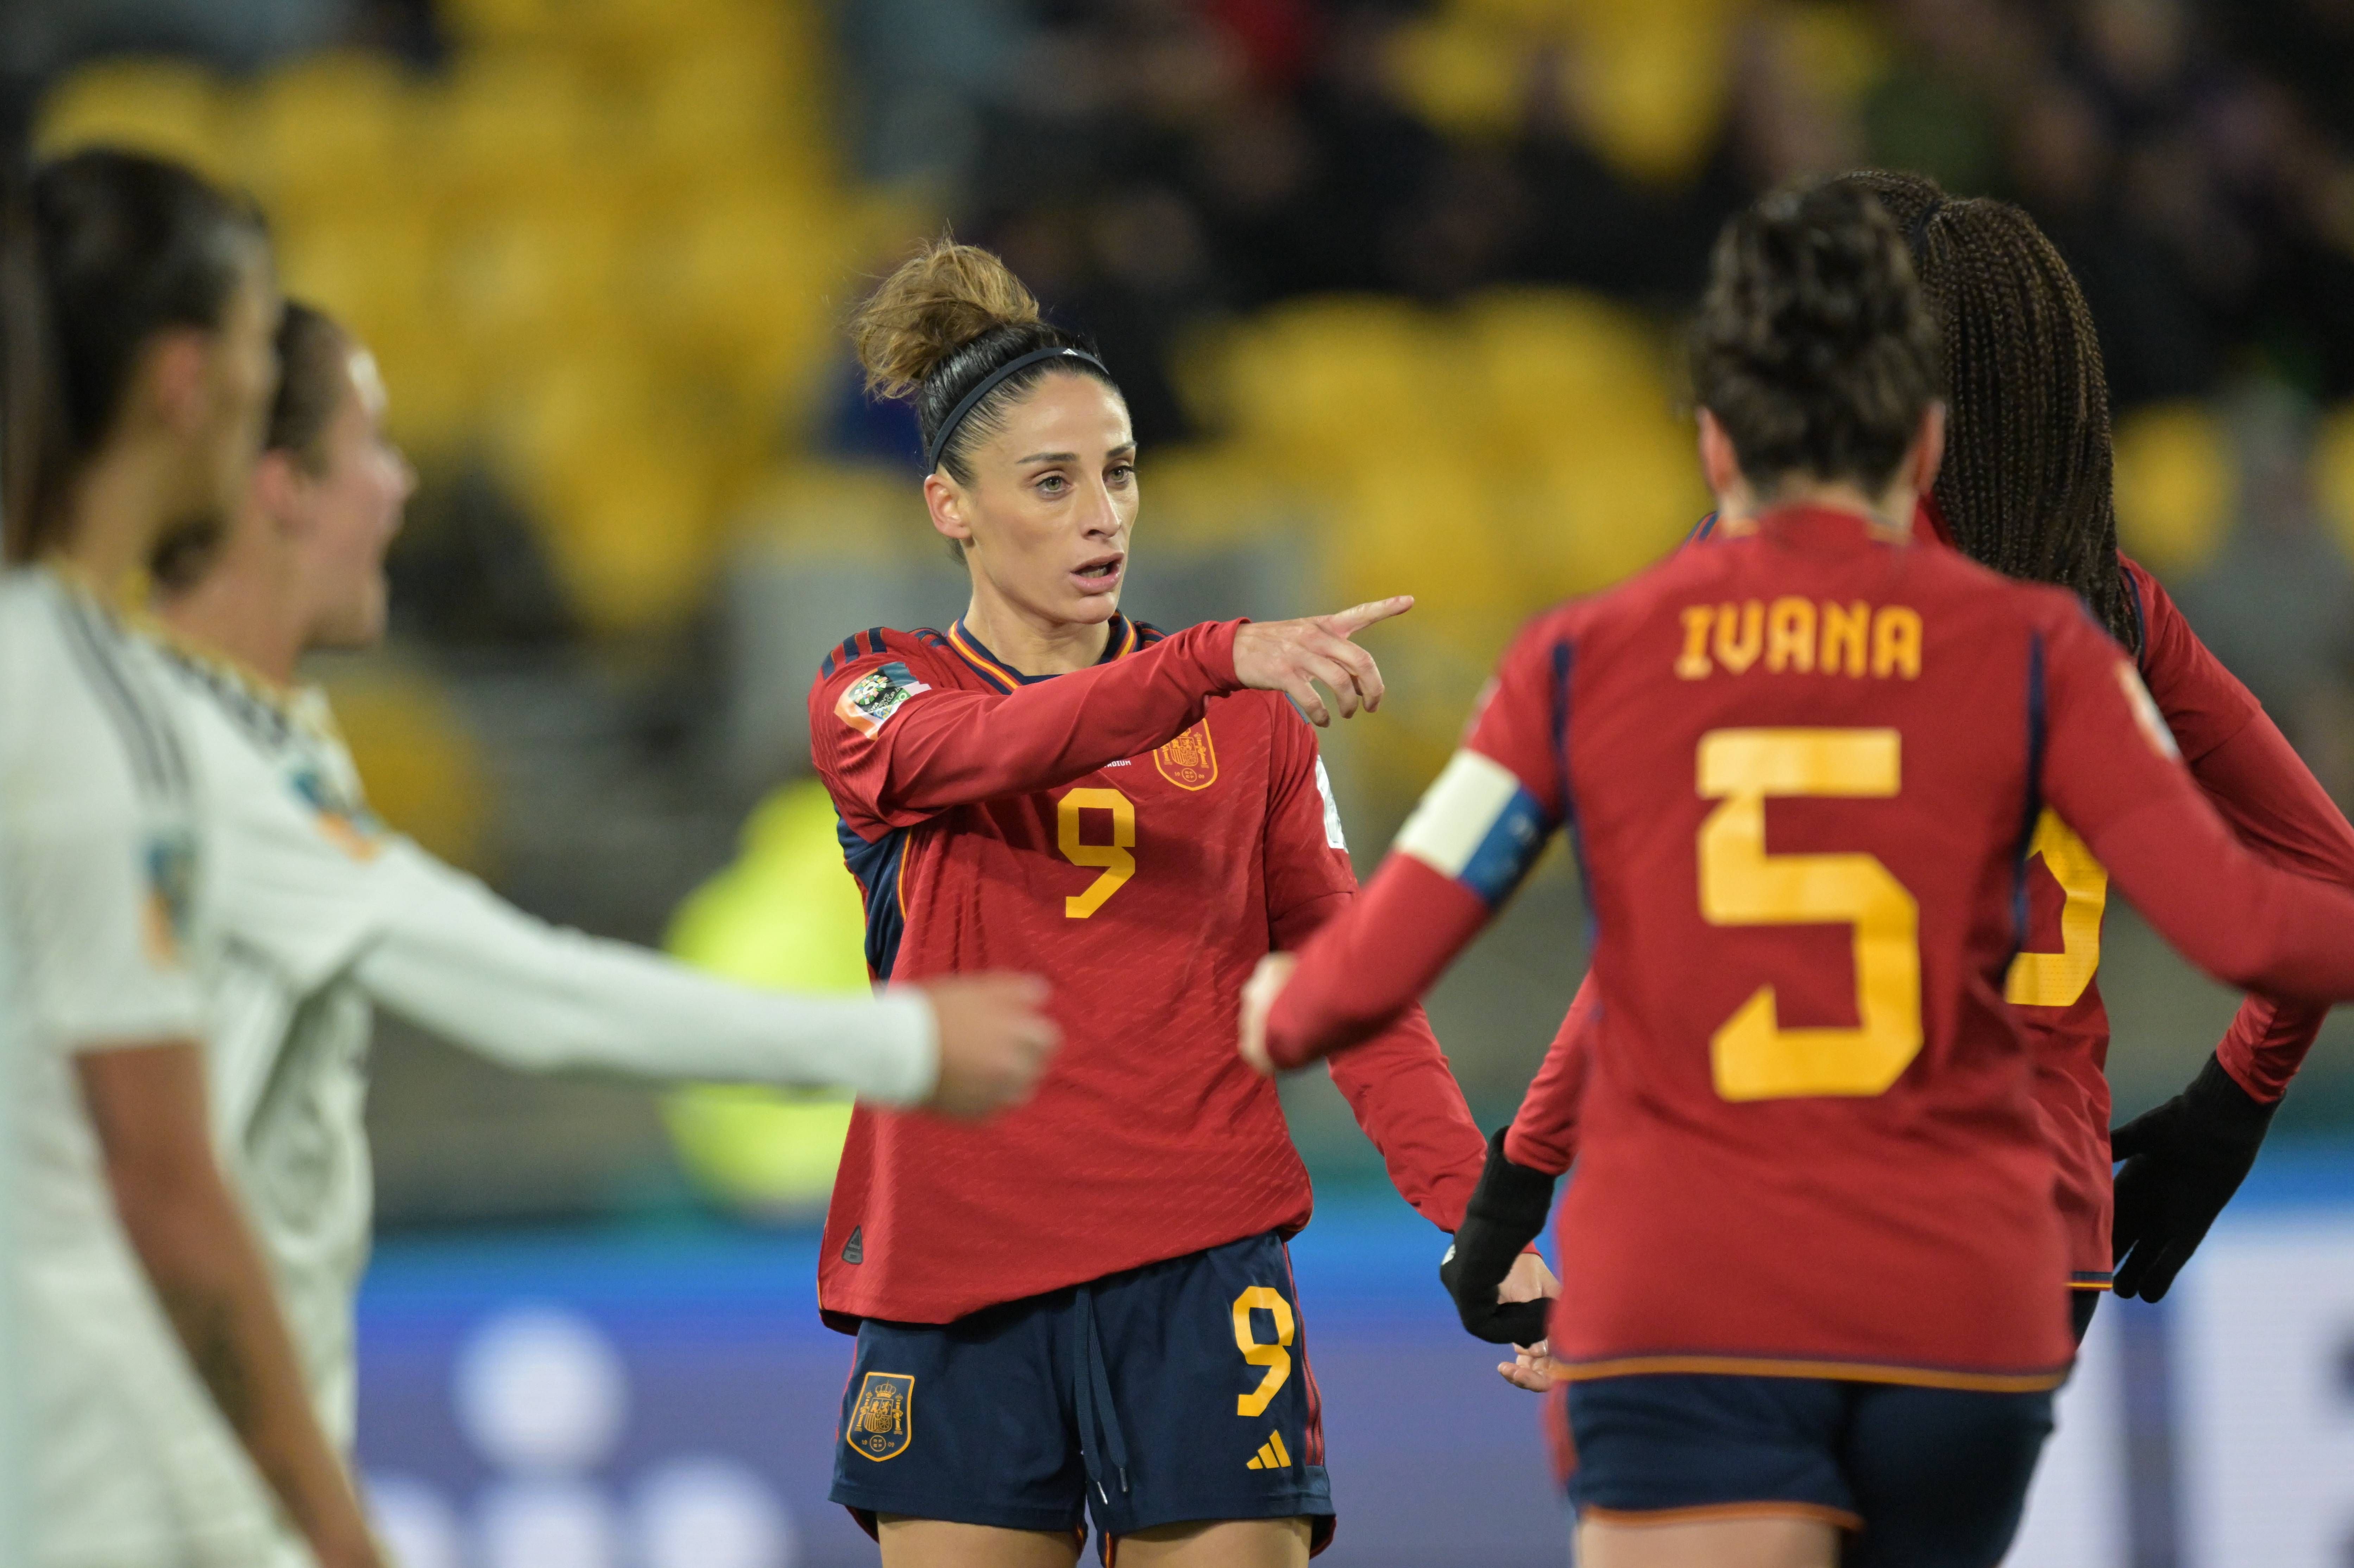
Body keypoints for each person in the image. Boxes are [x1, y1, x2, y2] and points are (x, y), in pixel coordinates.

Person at [1241, 181, 2354, 1568]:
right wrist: (2228, 1109)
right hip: (2007, 1253)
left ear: (1720, 438)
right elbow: (2292, 907)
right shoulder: (2087, 625)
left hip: (1707, 1257)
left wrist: (1499, 1187)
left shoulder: (1627, 639)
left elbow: (1444, 958)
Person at [140, 298, 1064, 1513]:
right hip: (147, 1463)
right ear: (280, 491)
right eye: (369, 446)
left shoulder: (256, 745)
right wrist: (899, 1043)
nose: (401, 486)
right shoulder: (189, 767)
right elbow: (526, 993)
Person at [808, 239, 1550, 1568]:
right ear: (949, 507)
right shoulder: (880, 690)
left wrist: (1473, 1214)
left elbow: (1356, 991)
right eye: (1052, 481)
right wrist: (1215, 656)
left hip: (1200, 1275)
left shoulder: (1255, 727)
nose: (1104, 515)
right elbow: (980, 752)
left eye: (1121, 470)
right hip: (956, 1286)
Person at [0, 148, 376, 1568]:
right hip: (73, 1481)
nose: (256, 379)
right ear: (181, 379)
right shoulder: (100, 722)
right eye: (252, 332)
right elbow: (161, 1182)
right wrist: (339, 1535)